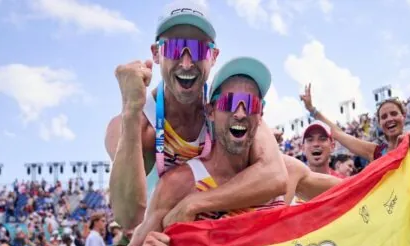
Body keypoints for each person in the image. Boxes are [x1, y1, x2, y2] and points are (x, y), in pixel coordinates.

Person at [117, 57, 341, 246]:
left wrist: (409, 156)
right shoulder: (181, 183)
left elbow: (355, 190)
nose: (240, 112)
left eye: (251, 104)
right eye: (230, 102)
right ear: (211, 111)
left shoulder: (288, 172)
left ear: (260, 116)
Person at [105, 2, 286, 231]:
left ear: (214, 56)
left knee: (297, 169)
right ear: (156, 54)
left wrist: (195, 203)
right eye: (174, 48)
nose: (187, 62)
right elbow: (128, 217)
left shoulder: (227, 104)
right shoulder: (136, 124)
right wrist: (131, 112)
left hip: (218, 236)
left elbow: (275, 175)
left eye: (198, 50)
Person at [299, 84, 410, 163]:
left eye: (394, 114)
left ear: (403, 116)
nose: (389, 119)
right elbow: (338, 133)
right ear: (379, 123)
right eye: (384, 117)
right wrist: (312, 110)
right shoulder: (376, 152)